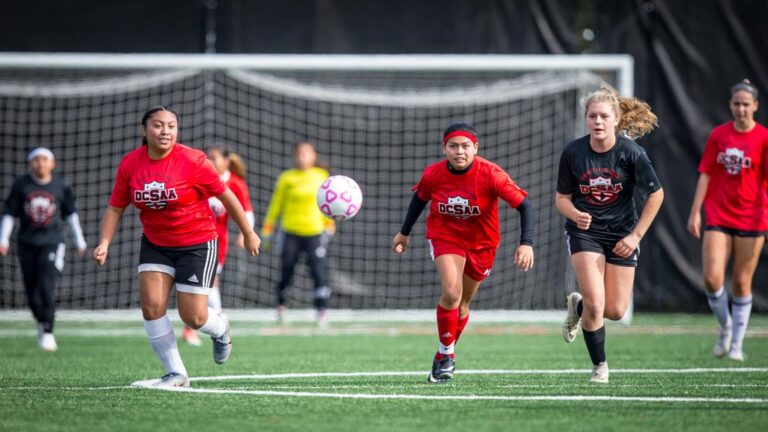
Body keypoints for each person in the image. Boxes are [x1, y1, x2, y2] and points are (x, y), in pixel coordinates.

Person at [93, 106, 260, 387]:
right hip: (156, 244)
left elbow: (227, 196)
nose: (165, 131)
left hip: (197, 244)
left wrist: (249, 232)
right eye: (158, 125)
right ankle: (176, 373)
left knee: (193, 317)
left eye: (171, 125)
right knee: (151, 306)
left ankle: (221, 331)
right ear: (144, 130)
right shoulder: (130, 164)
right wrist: (104, 242)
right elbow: (115, 207)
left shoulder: (194, 160)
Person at [392, 122, 535, 383]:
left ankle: (442, 353)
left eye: (465, 146)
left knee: (462, 306)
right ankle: (447, 355)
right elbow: (420, 200)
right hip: (445, 237)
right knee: (451, 292)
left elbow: (525, 205)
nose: (460, 151)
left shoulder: (491, 174)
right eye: (453, 146)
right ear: (444, 148)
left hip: (483, 244)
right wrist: (404, 232)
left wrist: (526, 243)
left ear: (475, 148)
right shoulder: (433, 174)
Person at [558, 84, 664, 383]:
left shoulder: (631, 152)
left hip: (622, 236)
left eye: (604, 116)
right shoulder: (573, 152)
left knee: (615, 310)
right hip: (585, 234)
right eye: (592, 116)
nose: (598, 122)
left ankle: (577, 306)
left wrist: (635, 237)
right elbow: (561, 199)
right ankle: (599, 366)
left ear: (617, 118)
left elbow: (656, 196)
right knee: (597, 301)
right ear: (585, 119)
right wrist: (575, 214)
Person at [687, 79, 768, 361]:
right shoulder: (719, 135)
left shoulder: (764, 138)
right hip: (719, 213)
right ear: (730, 106)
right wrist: (696, 211)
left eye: (746, 104)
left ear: (755, 106)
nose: (741, 109)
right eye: (737, 104)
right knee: (711, 279)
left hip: (752, 217)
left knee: (742, 283)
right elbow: (706, 173)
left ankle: (736, 345)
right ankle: (725, 327)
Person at [0, 147, 87, 352]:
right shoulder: (21, 185)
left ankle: (48, 330)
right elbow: (10, 214)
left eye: (45, 160)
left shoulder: (60, 185)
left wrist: (79, 240)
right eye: (36, 160)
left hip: (53, 243)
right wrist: (3, 239)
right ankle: (41, 321)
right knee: (31, 291)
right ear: (31, 163)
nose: (41, 163)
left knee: (46, 286)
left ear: (52, 163)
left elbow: (70, 214)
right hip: (27, 243)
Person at [181, 146, 255, 347]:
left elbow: (247, 211)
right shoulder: (201, 179)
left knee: (208, 282)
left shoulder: (235, 184)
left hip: (217, 242)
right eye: (208, 158)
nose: (210, 162)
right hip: (192, 238)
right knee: (206, 282)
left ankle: (202, 324)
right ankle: (215, 319)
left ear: (226, 162)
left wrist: (245, 233)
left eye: (214, 158)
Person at [261, 142, 335, 325]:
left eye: (307, 153)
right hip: (290, 232)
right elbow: (275, 205)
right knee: (286, 270)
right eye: (300, 154)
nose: (303, 157)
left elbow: (328, 203)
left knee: (318, 272)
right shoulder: (287, 178)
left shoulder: (321, 176)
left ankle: (321, 310)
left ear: (314, 156)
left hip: (314, 233)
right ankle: (280, 306)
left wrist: (330, 223)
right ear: (295, 156)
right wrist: (267, 228)